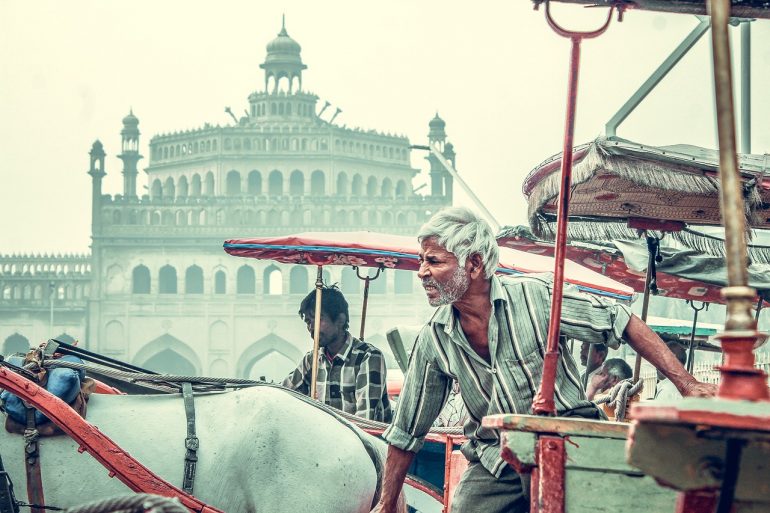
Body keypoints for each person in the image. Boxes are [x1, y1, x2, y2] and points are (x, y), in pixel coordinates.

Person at [371, 206, 716, 513]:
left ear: (474, 264)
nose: (422, 272)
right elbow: (406, 430)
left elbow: (621, 321)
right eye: (422, 261)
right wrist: (387, 503)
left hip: (568, 440)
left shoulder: (537, 297)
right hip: (497, 458)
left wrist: (686, 384)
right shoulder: (435, 338)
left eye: (433, 261)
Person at [282, 285, 392, 422]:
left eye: (318, 319)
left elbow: (366, 420)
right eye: (309, 322)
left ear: (340, 320)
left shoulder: (368, 357)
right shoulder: (312, 360)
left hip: (365, 441)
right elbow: (284, 394)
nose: (311, 327)